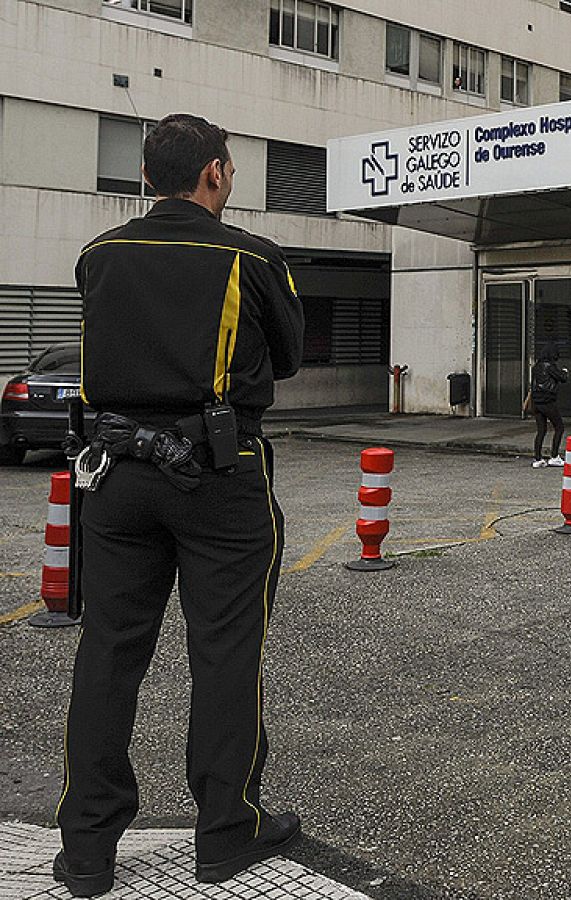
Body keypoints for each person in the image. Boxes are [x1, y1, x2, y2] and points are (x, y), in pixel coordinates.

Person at [54, 114, 304, 897]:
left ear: (143, 179)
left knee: (109, 651)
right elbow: (290, 359)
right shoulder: (253, 257)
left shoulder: (98, 256)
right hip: (219, 472)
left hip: (116, 475)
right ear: (217, 174)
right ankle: (226, 829)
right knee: (225, 651)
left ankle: (88, 849)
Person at [524, 343, 568, 467]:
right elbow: (562, 378)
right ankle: (554, 456)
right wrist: (564, 371)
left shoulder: (536, 366)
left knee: (541, 430)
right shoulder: (550, 366)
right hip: (548, 401)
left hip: (536, 402)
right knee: (559, 427)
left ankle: (538, 458)